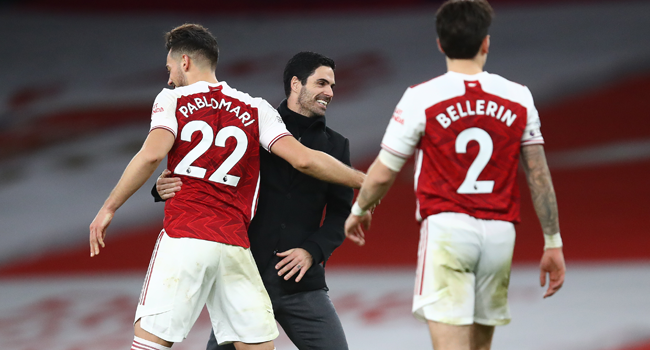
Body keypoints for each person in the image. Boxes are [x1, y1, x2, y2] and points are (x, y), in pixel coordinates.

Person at [88, 24, 364, 350]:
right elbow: (304, 160)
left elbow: (152, 156)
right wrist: (367, 180)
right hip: (236, 249)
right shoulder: (256, 110)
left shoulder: (172, 99)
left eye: (169, 68)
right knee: (256, 345)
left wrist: (109, 207)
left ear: (185, 61)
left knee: (151, 342)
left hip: (190, 237)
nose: (169, 77)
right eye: (322, 82)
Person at [344, 1, 566, 349]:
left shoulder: (422, 97)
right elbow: (539, 174)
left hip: (448, 230)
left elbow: (384, 172)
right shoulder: (519, 97)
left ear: (440, 44)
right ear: (486, 43)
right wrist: (553, 241)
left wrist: (360, 210)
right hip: (499, 234)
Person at [154, 51, 359, 350]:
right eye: (322, 83)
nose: (329, 92)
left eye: (332, 86)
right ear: (296, 84)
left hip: (302, 284)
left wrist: (311, 251)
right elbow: (209, 175)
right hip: (243, 277)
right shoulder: (253, 128)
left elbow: (342, 214)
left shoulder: (337, 146)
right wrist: (161, 187)